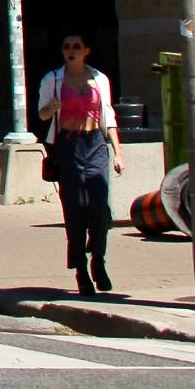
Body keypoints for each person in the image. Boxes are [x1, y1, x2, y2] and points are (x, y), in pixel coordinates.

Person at [36, 29, 125, 295]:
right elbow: (41, 115)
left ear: (86, 50)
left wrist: (118, 153)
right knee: (74, 210)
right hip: (69, 145)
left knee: (100, 208)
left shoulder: (99, 79)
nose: (70, 50)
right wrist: (51, 107)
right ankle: (81, 269)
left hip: (95, 144)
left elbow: (107, 116)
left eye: (76, 46)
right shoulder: (52, 79)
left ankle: (99, 258)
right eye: (66, 46)